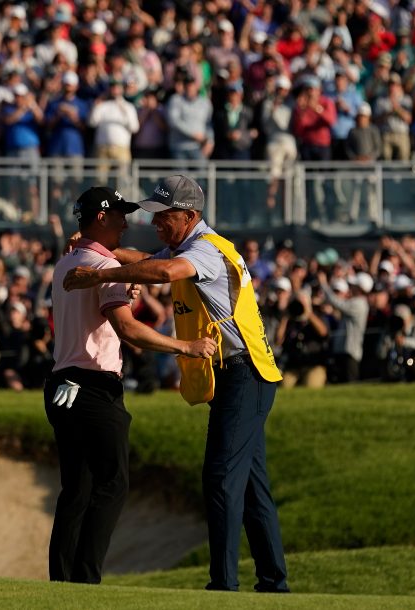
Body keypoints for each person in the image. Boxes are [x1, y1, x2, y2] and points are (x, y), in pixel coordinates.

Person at [63, 175, 289, 593]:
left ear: (189, 216)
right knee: (253, 487)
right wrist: (98, 248)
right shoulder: (189, 244)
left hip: (244, 373)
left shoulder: (202, 250)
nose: (155, 223)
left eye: (163, 216)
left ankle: (223, 586)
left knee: (221, 477)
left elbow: (164, 270)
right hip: (241, 373)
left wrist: (97, 274)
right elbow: (148, 257)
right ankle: (273, 582)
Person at [46, 186, 216, 584]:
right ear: (102, 218)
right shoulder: (101, 268)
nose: (127, 222)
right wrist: (185, 346)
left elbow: (149, 268)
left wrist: (122, 280)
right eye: (120, 215)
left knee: (76, 489)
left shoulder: (67, 262)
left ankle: (63, 581)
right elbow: (128, 330)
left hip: (59, 386)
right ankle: (86, 581)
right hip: (93, 387)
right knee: (113, 483)